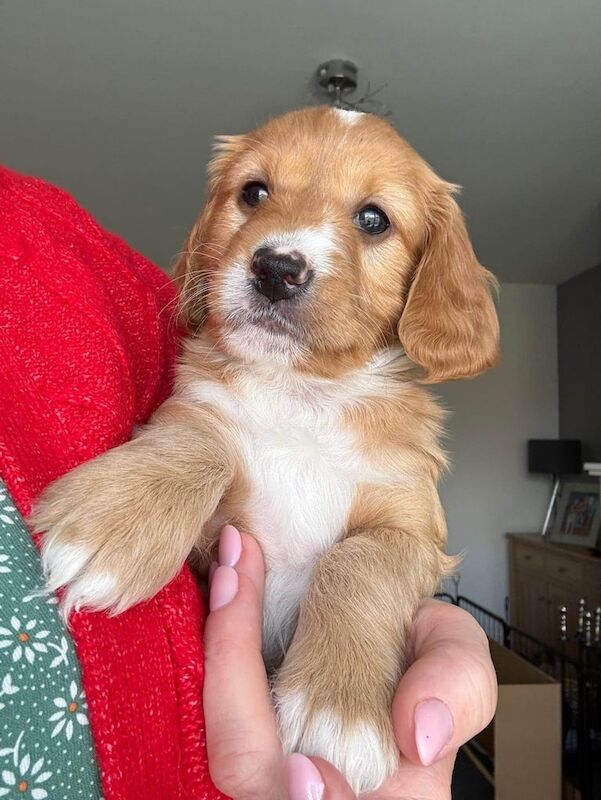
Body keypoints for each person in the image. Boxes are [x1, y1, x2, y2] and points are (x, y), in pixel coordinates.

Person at [0, 164, 496, 799]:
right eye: (256, 192)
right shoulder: (200, 382)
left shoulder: (401, 441)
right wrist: (183, 467)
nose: (285, 247)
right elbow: (196, 440)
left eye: (372, 220)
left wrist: (358, 606)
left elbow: (409, 545)